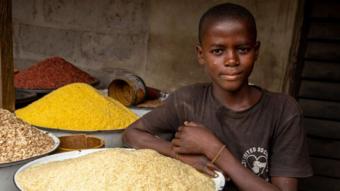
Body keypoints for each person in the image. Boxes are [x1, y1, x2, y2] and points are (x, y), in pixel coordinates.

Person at [122, 3, 312, 191]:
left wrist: (214, 150)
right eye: (218, 51)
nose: (231, 60)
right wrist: (176, 153)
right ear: (201, 54)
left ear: (256, 51)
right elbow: (131, 134)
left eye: (243, 49)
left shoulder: (283, 110)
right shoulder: (187, 101)